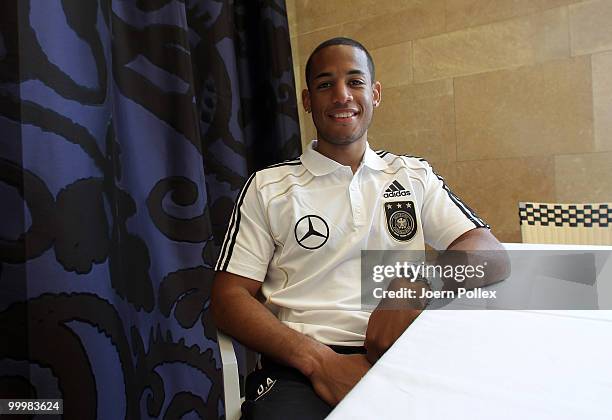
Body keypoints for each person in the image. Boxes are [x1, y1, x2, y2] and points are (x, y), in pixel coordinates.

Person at [211, 37, 509, 419]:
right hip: (299, 369)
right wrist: (319, 362)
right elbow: (228, 298)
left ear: (375, 93)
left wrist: (419, 284)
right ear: (306, 101)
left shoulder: (412, 174)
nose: (341, 95)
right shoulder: (268, 187)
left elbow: (490, 252)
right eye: (325, 84)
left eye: (354, 81)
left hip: (407, 355)